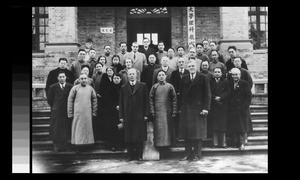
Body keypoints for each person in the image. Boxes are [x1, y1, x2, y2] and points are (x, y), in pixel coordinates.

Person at [179, 61, 211, 161]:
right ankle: (187, 154)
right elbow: (181, 93)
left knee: (197, 133)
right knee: (186, 133)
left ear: (196, 67)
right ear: (187, 68)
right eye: (189, 66)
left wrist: (206, 108)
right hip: (186, 109)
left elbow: (207, 94)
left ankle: (197, 154)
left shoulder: (202, 77)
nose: (191, 68)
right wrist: (181, 108)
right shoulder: (184, 78)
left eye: (193, 66)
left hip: (198, 109)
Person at [119, 68, 150, 161]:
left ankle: (139, 155)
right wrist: (121, 116)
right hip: (128, 115)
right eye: (130, 74)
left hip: (139, 115)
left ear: (136, 75)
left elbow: (146, 101)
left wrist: (146, 114)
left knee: (139, 136)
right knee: (129, 137)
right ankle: (130, 155)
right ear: (127, 76)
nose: (131, 75)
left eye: (133, 74)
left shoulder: (143, 85)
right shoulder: (123, 87)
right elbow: (121, 102)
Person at [149, 70, 177, 159]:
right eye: (159, 75)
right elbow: (150, 99)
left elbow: (174, 99)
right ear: (157, 77)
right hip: (158, 112)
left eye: (163, 75)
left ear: (165, 76)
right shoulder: (154, 87)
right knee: (159, 131)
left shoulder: (170, 86)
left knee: (167, 131)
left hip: (168, 112)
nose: (161, 76)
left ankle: (167, 151)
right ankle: (160, 150)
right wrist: (152, 111)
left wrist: (174, 111)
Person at [67, 73, 98, 152]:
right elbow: (70, 101)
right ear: (79, 80)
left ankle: (88, 145)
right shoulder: (75, 88)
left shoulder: (90, 89)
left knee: (88, 128)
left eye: (85, 78)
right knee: (78, 128)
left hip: (88, 112)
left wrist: (94, 112)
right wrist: (70, 113)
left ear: (87, 79)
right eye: (82, 79)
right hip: (78, 112)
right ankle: (78, 146)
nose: (84, 80)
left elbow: (95, 101)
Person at [47, 71, 73, 152]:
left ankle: (64, 145)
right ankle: (57, 145)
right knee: (56, 128)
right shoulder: (53, 87)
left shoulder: (70, 86)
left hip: (66, 110)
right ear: (58, 78)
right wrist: (55, 107)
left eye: (63, 77)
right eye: (60, 77)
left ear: (66, 77)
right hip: (57, 111)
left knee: (66, 127)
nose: (62, 78)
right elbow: (50, 100)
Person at [227, 68, 252, 150]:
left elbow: (248, 97)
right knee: (234, 126)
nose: (235, 76)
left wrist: (244, 107)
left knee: (242, 127)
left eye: (236, 74)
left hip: (242, 109)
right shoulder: (230, 83)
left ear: (240, 75)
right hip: (233, 108)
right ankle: (235, 143)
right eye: (233, 74)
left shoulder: (244, 83)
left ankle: (242, 144)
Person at [209, 67, 231, 148]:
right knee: (214, 125)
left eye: (218, 72)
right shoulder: (210, 82)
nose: (217, 73)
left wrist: (220, 98)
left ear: (221, 73)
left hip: (223, 106)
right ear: (213, 73)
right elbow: (208, 92)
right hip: (214, 105)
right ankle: (215, 143)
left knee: (223, 125)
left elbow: (228, 92)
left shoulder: (225, 81)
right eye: (215, 72)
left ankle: (223, 143)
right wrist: (215, 97)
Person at [103, 73, 124, 151]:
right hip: (110, 112)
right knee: (111, 129)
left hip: (121, 112)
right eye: (115, 78)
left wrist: (120, 106)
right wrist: (115, 106)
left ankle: (120, 145)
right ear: (112, 79)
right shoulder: (109, 88)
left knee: (120, 129)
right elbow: (107, 100)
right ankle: (112, 145)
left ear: (120, 79)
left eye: (118, 78)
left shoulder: (123, 87)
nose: (116, 80)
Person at [91, 62, 104, 140]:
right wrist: (96, 94)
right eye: (97, 67)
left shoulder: (104, 75)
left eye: (100, 66)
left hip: (103, 97)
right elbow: (92, 86)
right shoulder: (94, 76)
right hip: (96, 97)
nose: (99, 68)